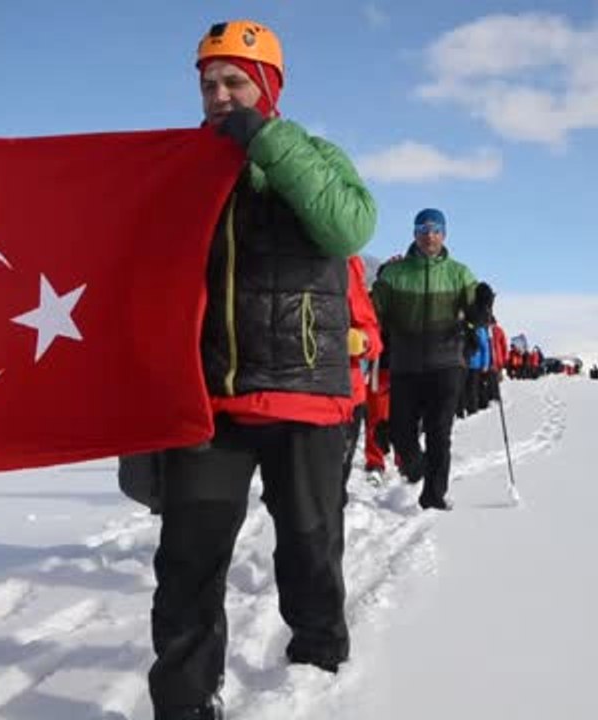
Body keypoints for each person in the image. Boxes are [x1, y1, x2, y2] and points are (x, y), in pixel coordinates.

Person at [148, 20, 376, 720]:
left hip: (304, 395)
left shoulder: (311, 153)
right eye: (208, 83)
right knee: (186, 563)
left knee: (309, 549)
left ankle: (317, 661)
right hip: (208, 400)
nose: (219, 96)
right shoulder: (184, 166)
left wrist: (265, 140)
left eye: (234, 83)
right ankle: (184, 705)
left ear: (268, 87)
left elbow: (347, 228)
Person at [371, 208, 478, 511]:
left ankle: (434, 496)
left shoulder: (460, 273)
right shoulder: (395, 273)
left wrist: (481, 308)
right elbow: (373, 311)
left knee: (439, 432)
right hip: (406, 365)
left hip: (447, 365)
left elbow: (475, 313)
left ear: (444, 234)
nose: (429, 235)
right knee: (403, 431)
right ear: (414, 233)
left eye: (435, 229)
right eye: (423, 229)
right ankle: (415, 467)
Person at [340, 255, 381, 502]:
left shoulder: (345, 264)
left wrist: (361, 341)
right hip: (267, 401)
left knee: (330, 494)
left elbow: (372, 335)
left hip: (343, 396)